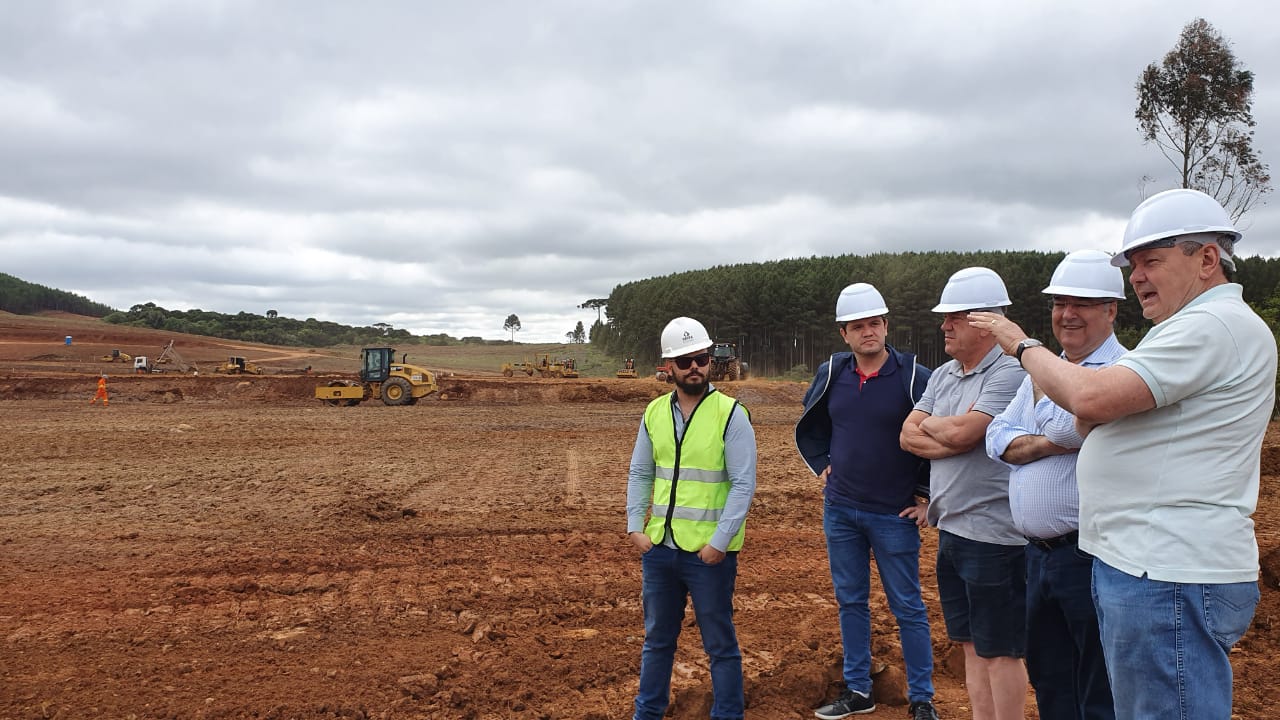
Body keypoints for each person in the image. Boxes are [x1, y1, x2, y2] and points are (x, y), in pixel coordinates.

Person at [970, 189, 1277, 718]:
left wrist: (1021, 346)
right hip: (1148, 566)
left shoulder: (1211, 326)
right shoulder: (1186, 328)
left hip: (1167, 571)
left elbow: (1088, 402)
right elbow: (1084, 417)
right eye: (1133, 265)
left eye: (1151, 261)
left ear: (1207, 258)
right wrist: (1086, 405)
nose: (1137, 277)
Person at [984, 250, 1124, 720]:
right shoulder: (1046, 370)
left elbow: (1065, 425)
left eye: (1081, 303)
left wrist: (1047, 427)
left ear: (1111, 310)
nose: (1067, 314)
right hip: (1038, 556)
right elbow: (996, 438)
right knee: (1050, 679)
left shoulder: (1117, 370)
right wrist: (1050, 442)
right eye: (1060, 303)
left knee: (1096, 683)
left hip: (1088, 555)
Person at [795, 283, 940, 720]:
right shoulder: (833, 373)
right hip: (840, 510)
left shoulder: (915, 375)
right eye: (858, 326)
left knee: (908, 607)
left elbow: (943, 434)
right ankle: (859, 691)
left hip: (894, 513)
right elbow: (813, 422)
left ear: (886, 325)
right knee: (851, 602)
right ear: (844, 333)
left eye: (874, 323)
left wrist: (928, 497)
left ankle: (922, 699)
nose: (868, 332)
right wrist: (821, 462)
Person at [899, 267, 1028, 720]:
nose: (944, 326)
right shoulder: (944, 375)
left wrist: (949, 430)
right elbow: (908, 435)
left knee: (1001, 650)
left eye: (954, 317)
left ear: (985, 322)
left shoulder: (1011, 371)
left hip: (995, 536)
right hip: (951, 528)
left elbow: (967, 433)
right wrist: (953, 433)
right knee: (971, 645)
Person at [626, 316, 758, 720]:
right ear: (669, 366)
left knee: (720, 645)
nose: (695, 367)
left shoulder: (731, 414)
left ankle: (728, 715)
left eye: (701, 358)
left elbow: (743, 484)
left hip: (708, 556)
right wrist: (634, 526)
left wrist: (719, 542)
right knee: (657, 641)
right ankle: (647, 713)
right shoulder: (653, 413)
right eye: (685, 362)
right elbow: (641, 472)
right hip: (660, 550)